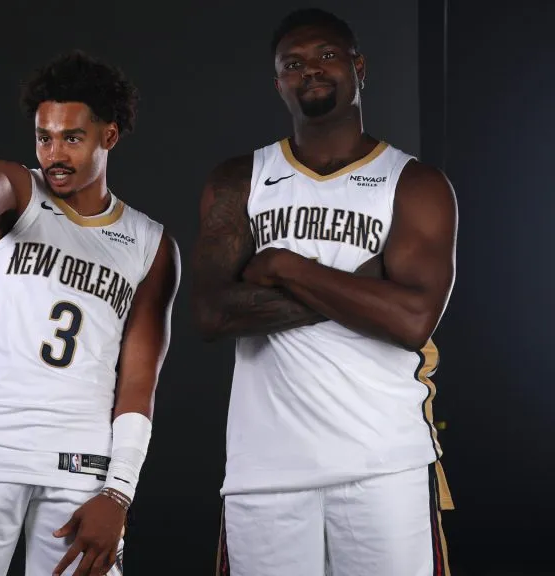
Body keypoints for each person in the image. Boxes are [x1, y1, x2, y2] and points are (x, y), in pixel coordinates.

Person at [192, 8, 457, 576]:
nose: (310, 70)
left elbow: (412, 320)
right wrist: (365, 290)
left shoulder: (414, 183)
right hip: (265, 472)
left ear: (359, 68)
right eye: (293, 63)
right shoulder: (241, 179)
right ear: (278, 82)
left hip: (383, 463)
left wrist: (288, 266)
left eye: (327, 56)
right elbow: (211, 313)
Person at [0, 51, 180, 576]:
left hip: (83, 468)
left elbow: (139, 381)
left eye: (72, 137)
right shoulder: (21, 191)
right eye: (44, 137)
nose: (54, 153)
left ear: (109, 137)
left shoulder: (150, 243)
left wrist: (119, 493)